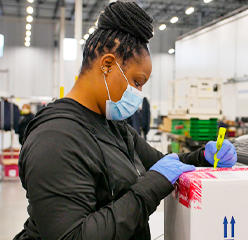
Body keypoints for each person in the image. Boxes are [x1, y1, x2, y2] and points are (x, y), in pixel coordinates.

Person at [14, 1, 237, 240]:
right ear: (107, 65)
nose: (138, 94)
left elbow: (161, 164)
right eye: (137, 82)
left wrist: (203, 157)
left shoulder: (114, 127)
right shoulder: (55, 138)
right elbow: (72, 236)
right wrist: (151, 186)